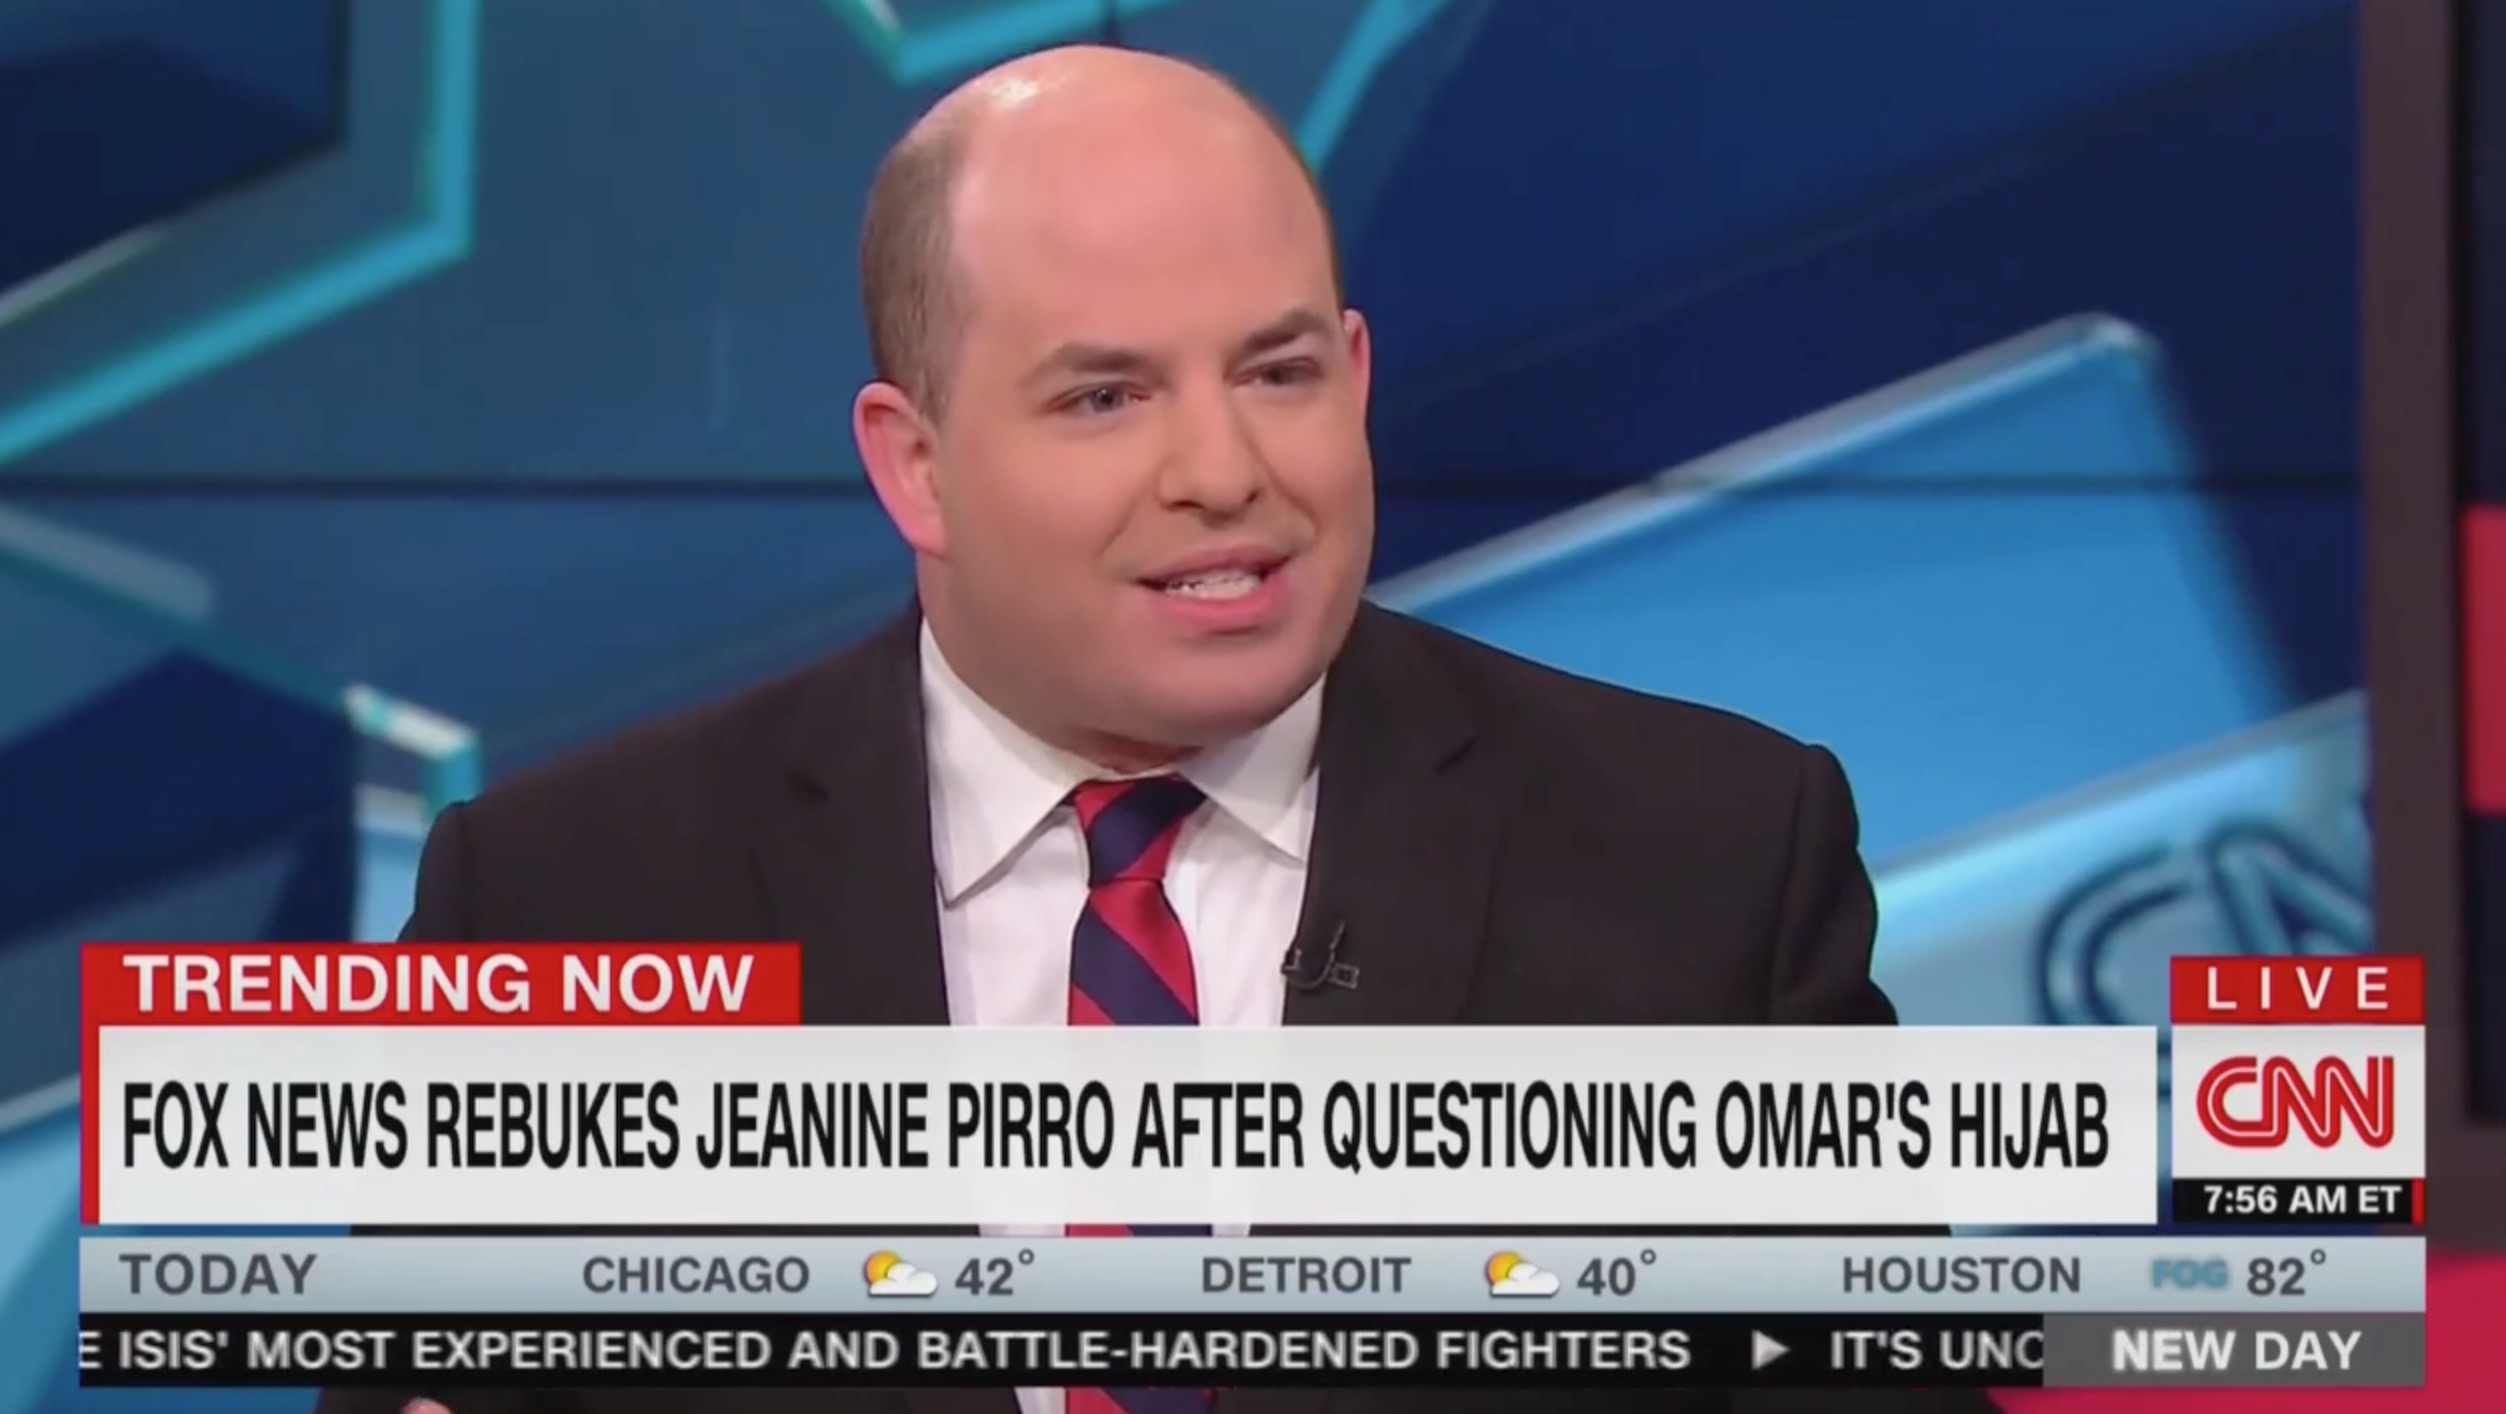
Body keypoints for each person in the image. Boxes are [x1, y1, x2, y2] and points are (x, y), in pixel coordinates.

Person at [325, 43, 1993, 1414]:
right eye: (1105, 396)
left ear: (1354, 374)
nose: (1221, 472)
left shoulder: (1700, 860)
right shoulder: (564, 905)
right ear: (915, 465)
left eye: (1276, 372)